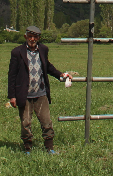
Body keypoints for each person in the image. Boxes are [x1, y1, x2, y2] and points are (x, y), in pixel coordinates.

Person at [8, 25, 71, 153]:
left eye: (35, 36)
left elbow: (47, 66)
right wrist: (12, 96)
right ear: (25, 37)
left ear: (38, 38)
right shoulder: (17, 52)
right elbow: (12, 75)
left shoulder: (43, 49)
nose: (32, 39)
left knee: (46, 121)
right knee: (26, 123)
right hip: (24, 95)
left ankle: (49, 148)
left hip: (41, 94)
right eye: (30, 36)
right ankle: (27, 148)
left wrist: (60, 75)